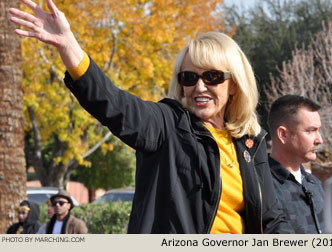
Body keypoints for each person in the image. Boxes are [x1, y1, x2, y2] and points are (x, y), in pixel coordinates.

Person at [9, 0, 292, 234]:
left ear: (234, 85)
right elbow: (115, 104)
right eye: (190, 77)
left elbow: (272, 219)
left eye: (213, 76)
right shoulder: (168, 124)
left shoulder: (250, 144)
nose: (200, 86)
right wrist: (69, 47)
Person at [267, 94, 325, 233]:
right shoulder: (261, 186)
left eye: (318, 130)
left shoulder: (314, 184)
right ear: (283, 134)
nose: (319, 140)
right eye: (310, 131)